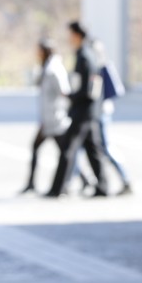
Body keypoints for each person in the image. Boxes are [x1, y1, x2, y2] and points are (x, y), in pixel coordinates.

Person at [45, 22, 110, 198]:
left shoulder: (85, 56)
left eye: (70, 34)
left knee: (68, 148)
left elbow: (89, 87)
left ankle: (57, 188)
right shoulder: (86, 54)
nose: (68, 38)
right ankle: (103, 187)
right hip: (89, 110)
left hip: (84, 110)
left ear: (77, 35)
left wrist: (72, 96)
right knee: (92, 149)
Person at [20, 39, 71, 194]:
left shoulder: (54, 69)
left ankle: (85, 179)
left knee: (66, 152)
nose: (37, 54)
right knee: (40, 148)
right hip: (47, 119)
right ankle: (31, 183)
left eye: (39, 51)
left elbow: (64, 92)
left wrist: (64, 111)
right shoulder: (45, 68)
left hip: (55, 118)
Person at [91, 38, 132, 195]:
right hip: (102, 111)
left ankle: (125, 178)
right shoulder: (102, 65)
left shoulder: (99, 68)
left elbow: (97, 93)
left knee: (105, 147)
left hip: (100, 112)